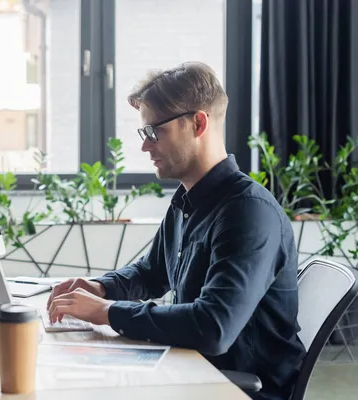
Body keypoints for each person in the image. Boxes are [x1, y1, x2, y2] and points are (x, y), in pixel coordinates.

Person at [46, 61, 306, 400]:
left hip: (236, 389)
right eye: (145, 133)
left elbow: (213, 327)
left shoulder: (248, 212)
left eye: (155, 131)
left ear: (198, 123)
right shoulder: (187, 199)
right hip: (194, 371)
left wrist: (106, 312)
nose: (145, 146)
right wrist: (101, 288)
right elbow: (153, 272)